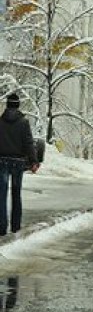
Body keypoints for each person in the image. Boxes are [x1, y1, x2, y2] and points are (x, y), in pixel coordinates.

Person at [0, 93, 39, 236]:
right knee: (16, 194)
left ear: (7, 104)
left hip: (2, 161)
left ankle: (1, 227)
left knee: (1, 195)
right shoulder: (23, 122)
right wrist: (34, 160)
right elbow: (29, 143)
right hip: (18, 162)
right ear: (18, 105)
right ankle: (15, 226)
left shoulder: (0, 122)